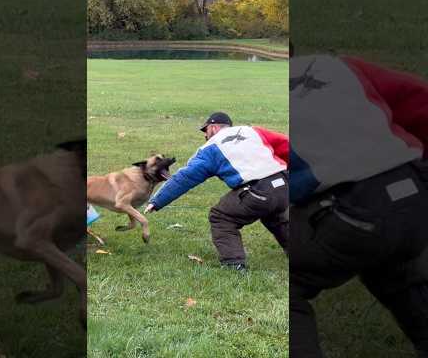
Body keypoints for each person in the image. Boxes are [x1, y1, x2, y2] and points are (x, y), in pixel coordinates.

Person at [289, 42, 428, 357]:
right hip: (414, 195)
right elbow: (421, 102)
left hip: (354, 210)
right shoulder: (340, 66)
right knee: (394, 271)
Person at [144, 112, 289, 271]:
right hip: (285, 185)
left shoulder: (210, 148)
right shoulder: (252, 131)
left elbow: (184, 178)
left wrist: (157, 201)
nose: (206, 136)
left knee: (221, 216)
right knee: (273, 214)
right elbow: (286, 145)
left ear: (212, 128)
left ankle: (234, 265)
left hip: (258, 191)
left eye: (205, 132)